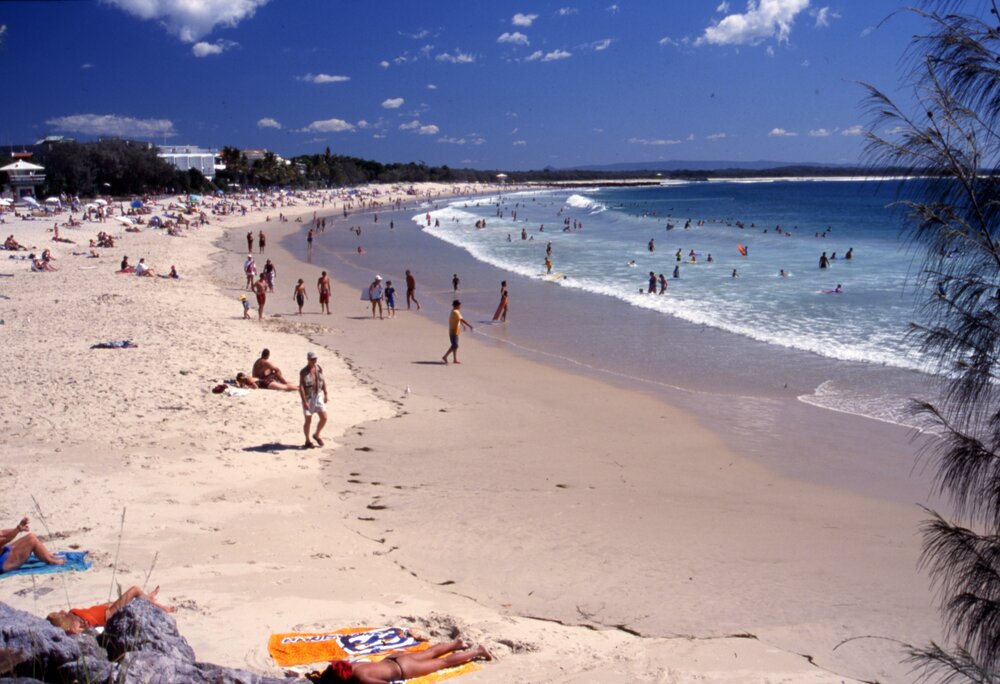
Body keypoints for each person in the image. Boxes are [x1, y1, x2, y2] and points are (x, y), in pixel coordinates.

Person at [308, 639, 492, 683]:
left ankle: (478, 651)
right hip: (395, 658)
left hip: (404, 668)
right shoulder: (352, 666)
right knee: (431, 651)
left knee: (444, 663)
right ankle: (457, 643)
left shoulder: (361, 678)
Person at [46, 585, 174, 634]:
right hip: (107, 614)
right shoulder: (74, 626)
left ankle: (147, 597)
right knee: (134, 590)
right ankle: (162, 608)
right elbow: (83, 632)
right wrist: (83, 630)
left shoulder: (67, 617)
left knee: (131, 601)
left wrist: (64, 614)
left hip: (100, 608)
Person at [0, 517, 65, 574]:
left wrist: (19, 527)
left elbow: (2, 533)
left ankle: (49, 555)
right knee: (32, 539)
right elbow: (6, 538)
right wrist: (18, 528)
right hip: (3, 563)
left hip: (3, 554)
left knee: (32, 536)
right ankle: (51, 561)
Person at [299, 351, 328, 449]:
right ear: (308, 360)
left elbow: (323, 381)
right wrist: (304, 401)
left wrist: (326, 393)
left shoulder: (318, 368)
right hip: (309, 397)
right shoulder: (303, 372)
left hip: (318, 395)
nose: (314, 361)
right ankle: (307, 440)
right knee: (308, 420)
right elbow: (301, 387)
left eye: (315, 359)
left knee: (324, 417)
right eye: (312, 359)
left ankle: (316, 434)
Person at [442, 300, 473, 365]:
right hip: (453, 331)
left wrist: (463, 325)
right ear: (456, 305)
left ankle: (455, 359)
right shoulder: (455, 312)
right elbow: (462, 319)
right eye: (459, 305)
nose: (460, 306)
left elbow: (458, 319)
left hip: (455, 330)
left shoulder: (454, 311)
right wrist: (470, 326)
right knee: (455, 345)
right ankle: (445, 356)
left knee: (455, 346)